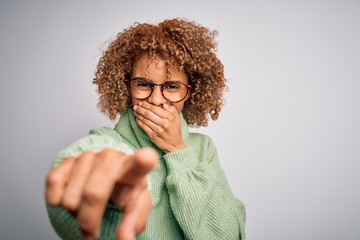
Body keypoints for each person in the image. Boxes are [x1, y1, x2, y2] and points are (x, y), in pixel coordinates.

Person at [45, 18, 246, 240]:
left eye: (172, 87)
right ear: (126, 85)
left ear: (191, 92)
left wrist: (177, 150)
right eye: (143, 84)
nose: (157, 99)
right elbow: (91, 160)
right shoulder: (106, 141)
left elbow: (228, 235)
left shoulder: (203, 148)